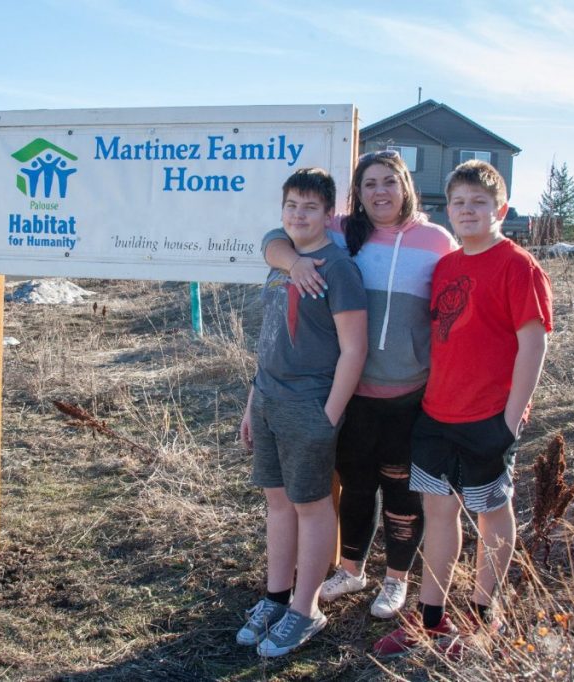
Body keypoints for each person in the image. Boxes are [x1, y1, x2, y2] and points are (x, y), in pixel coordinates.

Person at [264, 151, 457, 619]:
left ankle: (396, 578)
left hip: (408, 390)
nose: (380, 192)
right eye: (369, 184)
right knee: (354, 484)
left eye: (389, 181)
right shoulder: (344, 232)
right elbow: (276, 236)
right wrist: (292, 263)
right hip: (350, 390)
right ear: (358, 192)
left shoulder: (436, 241)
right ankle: (351, 568)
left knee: (399, 487)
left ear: (405, 185)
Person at [373, 160, 553, 658]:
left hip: (488, 418)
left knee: (492, 511)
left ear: (501, 209)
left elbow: (533, 346)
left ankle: (481, 614)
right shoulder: (447, 265)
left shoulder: (518, 266)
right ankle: (432, 617)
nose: (468, 211)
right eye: (459, 203)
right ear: (446, 208)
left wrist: (510, 422)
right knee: (438, 510)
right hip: (436, 414)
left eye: (479, 202)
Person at [237, 168, 368, 657]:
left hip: (309, 406)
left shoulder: (339, 269)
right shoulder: (281, 263)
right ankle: (275, 597)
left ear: (328, 215)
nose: (298, 214)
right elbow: (268, 342)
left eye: (310, 207)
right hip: (269, 401)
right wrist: (253, 403)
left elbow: (354, 350)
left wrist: (329, 416)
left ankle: (305, 608)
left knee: (312, 507)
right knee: (277, 504)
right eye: (292, 205)